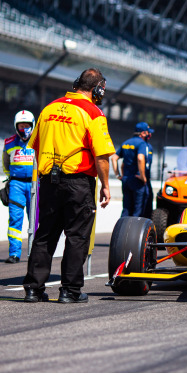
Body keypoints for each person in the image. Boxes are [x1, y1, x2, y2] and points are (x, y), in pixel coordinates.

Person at [23, 67, 114, 303]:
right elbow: (102, 155)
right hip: (78, 183)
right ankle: (70, 291)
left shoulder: (49, 108)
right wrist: (105, 185)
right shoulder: (93, 113)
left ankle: (33, 289)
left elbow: (34, 146)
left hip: (49, 181)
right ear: (98, 89)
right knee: (77, 237)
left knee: (45, 234)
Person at [2, 110, 35, 263]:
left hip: (36, 184)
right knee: (15, 220)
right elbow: (5, 165)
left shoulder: (40, 141)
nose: (24, 128)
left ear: (32, 125)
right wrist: (11, 179)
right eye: (21, 125)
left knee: (36, 220)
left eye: (27, 125)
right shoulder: (8, 143)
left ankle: (36, 252)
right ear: (16, 126)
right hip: (16, 185)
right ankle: (14, 253)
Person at [111, 122, 154, 218]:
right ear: (143, 133)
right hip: (137, 180)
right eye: (148, 132)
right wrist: (143, 177)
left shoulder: (126, 142)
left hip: (126, 179)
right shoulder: (143, 144)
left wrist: (118, 175)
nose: (149, 135)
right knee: (138, 210)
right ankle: (135, 232)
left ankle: (123, 231)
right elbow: (140, 158)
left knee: (126, 208)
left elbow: (114, 158)